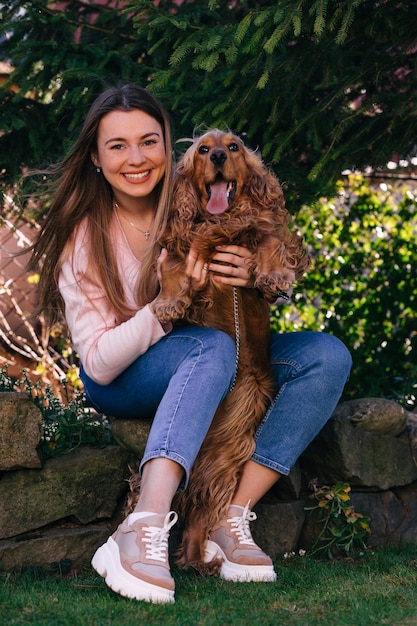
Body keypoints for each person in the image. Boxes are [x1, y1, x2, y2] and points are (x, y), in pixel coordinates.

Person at [29, 83, 352, 604]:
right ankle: (143, 525)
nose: (136, 159)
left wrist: (258, 270)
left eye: (149, 141)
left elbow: (270, 255)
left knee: (325, 355)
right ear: (95, 156)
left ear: (167, 147)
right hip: (125, 375)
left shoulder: (199, 199)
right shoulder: (84, 235)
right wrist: (163, 305)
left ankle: (231, 516)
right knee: (210, 348)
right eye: (117, 146)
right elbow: (99, 363)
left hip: (208, 356)